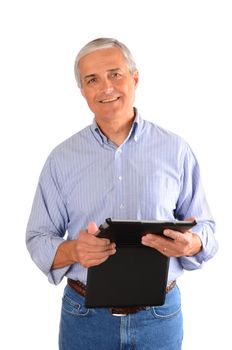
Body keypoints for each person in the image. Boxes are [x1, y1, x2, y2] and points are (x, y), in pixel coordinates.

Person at [26, 37, 218, 350]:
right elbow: (37, 238)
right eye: (92, 80)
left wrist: (191, 242)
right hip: (84, 320)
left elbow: (207, 231)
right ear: (83, 92)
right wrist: (75, 250)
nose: (106, 87)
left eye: (115, 74)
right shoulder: (61, 159)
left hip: (159, 320)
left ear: (135, 78)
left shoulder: (176, 150)